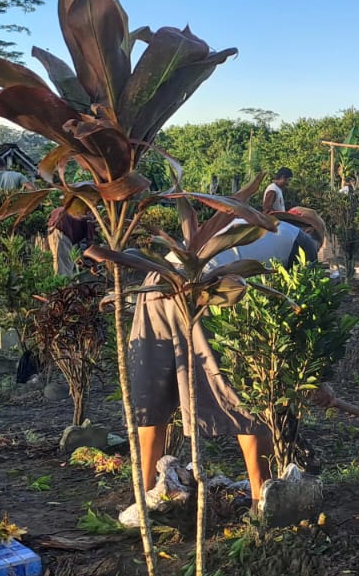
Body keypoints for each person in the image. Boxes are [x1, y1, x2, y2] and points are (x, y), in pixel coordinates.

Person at [106, 208, 327, 514]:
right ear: (310, 231)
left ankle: (143, 499)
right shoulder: (303, 242)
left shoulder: (249, 225)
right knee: (245, 392)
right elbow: (304, 318)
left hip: (159, 277)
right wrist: (317, 380)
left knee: (154, 393)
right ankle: (260, 501)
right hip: (207, 284)